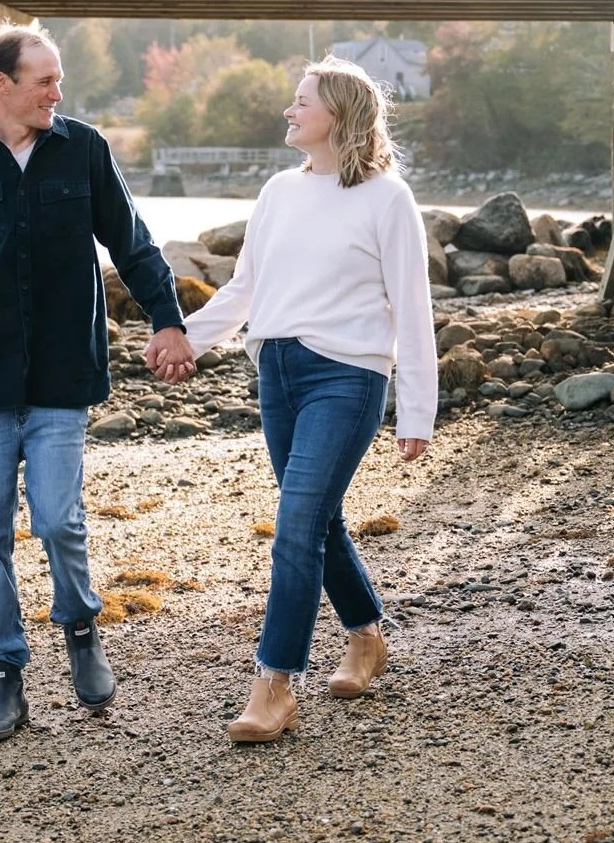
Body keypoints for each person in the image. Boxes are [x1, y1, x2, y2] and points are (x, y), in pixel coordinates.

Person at [0, 23, 195, 743]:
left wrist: (168, 319)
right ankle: (4, 676)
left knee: (60, 519)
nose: (56, 93)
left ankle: (79, 626)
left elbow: (130, 242)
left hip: (63, 373)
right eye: (43, 80)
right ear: (0, 84)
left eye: (58, 79)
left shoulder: (85, 148)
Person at [167, 56, 436, 743]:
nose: (289, 112)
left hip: (347, 376)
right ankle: (366, 636)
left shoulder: (386, 198)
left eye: (301, 102)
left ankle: (274, 684)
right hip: (277, 372)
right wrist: (183, 339)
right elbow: (244, 290)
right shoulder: (279, 190)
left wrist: (417, 411)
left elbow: (413, 306)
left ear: (338, 116)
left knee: (294, 525)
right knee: (315, 519)